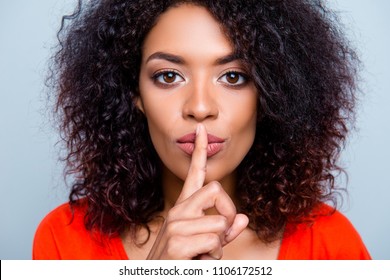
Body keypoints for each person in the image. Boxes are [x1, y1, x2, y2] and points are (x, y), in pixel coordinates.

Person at [33, 0, 371, 260]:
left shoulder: (329, 243)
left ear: (270, 94)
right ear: (134, 93)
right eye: (168, 76)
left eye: (233, 77)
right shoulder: (64, 239)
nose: (200, 107)